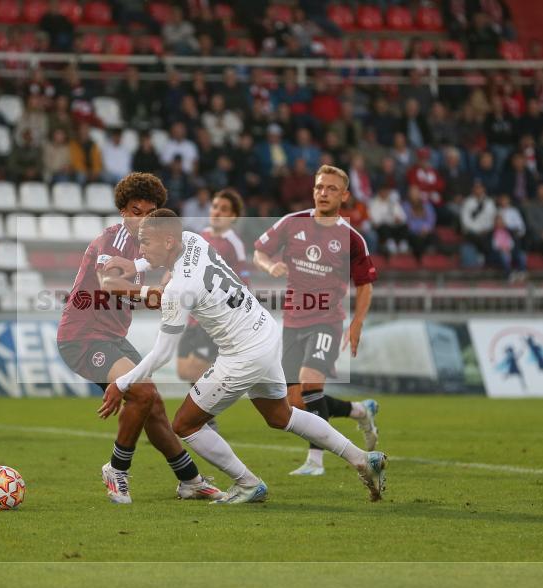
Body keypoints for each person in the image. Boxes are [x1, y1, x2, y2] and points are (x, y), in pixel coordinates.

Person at [101, 210, 387, 504]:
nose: (142, 248)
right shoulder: (193, 240)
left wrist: (121, 383)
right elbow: (164, 263)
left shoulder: (178, 289)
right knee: (280, 415)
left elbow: (162, 353)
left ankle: (248, 483)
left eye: (145, 242)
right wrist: (134, 264)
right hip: (264, 332)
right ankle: (362, 458)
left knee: (185, 425)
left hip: (243, 355)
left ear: (169, 240)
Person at [56, 173, 220, 504]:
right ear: (122, 211)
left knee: (153, 404)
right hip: (83, 337)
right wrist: (153, 293)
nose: (140, 219)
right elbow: (109, 284)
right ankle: (117, 468)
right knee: (143, 395)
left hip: (112, 336)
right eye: (134, 210)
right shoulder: (114, 240)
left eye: (149, 212)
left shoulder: (149, 247)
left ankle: (189, 480)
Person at [253, 165, 380, 477]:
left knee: (311, 383)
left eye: (332, 189)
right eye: (320, 187)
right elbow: (259, 251)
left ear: (345, 195)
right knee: (296, 402)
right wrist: (270, 267)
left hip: (327, 320)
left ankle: (315, 461)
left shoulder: (351, 238)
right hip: (293, 320)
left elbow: (365, 285)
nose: (324, 193)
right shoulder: (291, 223)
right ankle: (359, 411)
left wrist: (357, 323)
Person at [176, 189, 250, 390]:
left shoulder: (233, 243)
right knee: (184, 370)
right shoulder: (202, 236)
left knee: (195, 369)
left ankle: (205, 419)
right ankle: (205, 415)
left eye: (224, 209)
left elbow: (244, 284)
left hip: (214, 319)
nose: (217, 212)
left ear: (233, 216)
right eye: (215, 207)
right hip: (193, 316)